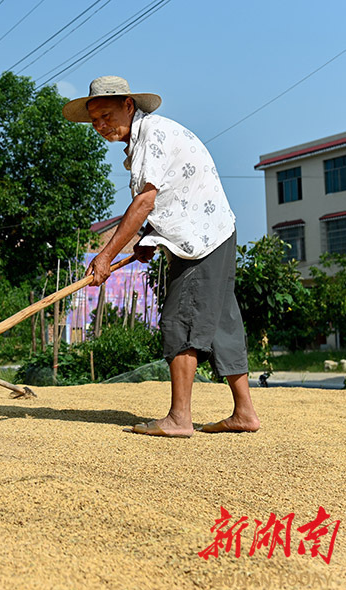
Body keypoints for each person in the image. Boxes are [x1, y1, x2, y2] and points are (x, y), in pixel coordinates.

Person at [62, 76, 260, 437]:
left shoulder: (151, 135)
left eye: (106, 116)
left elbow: (145, 201)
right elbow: (168, 198)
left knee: (180, 317)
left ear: (128, 105)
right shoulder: (147, 138)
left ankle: (179, 418)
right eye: (94, 121)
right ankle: (244, 412)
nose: (101, 126)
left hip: (199, 240)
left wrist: (106, 255)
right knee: (220, 321)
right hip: (212, 232)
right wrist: (148, 241)